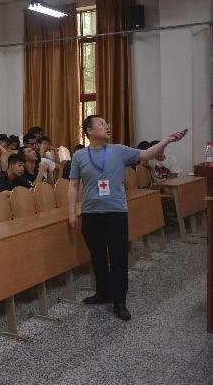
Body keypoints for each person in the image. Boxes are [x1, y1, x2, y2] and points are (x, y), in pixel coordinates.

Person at [68, 115, 186, 321]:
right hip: (91, 212)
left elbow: (147, 154)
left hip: (116, 212)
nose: (107, 126)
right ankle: (103, 293)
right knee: (97, 256)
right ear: (89, 131)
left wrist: (167, 140)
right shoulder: (79, 156)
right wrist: (71, 212)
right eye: (102, 124)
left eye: (107, 123)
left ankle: (119, 301)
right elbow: (73, 184)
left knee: (118, 258)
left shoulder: (118, 150)